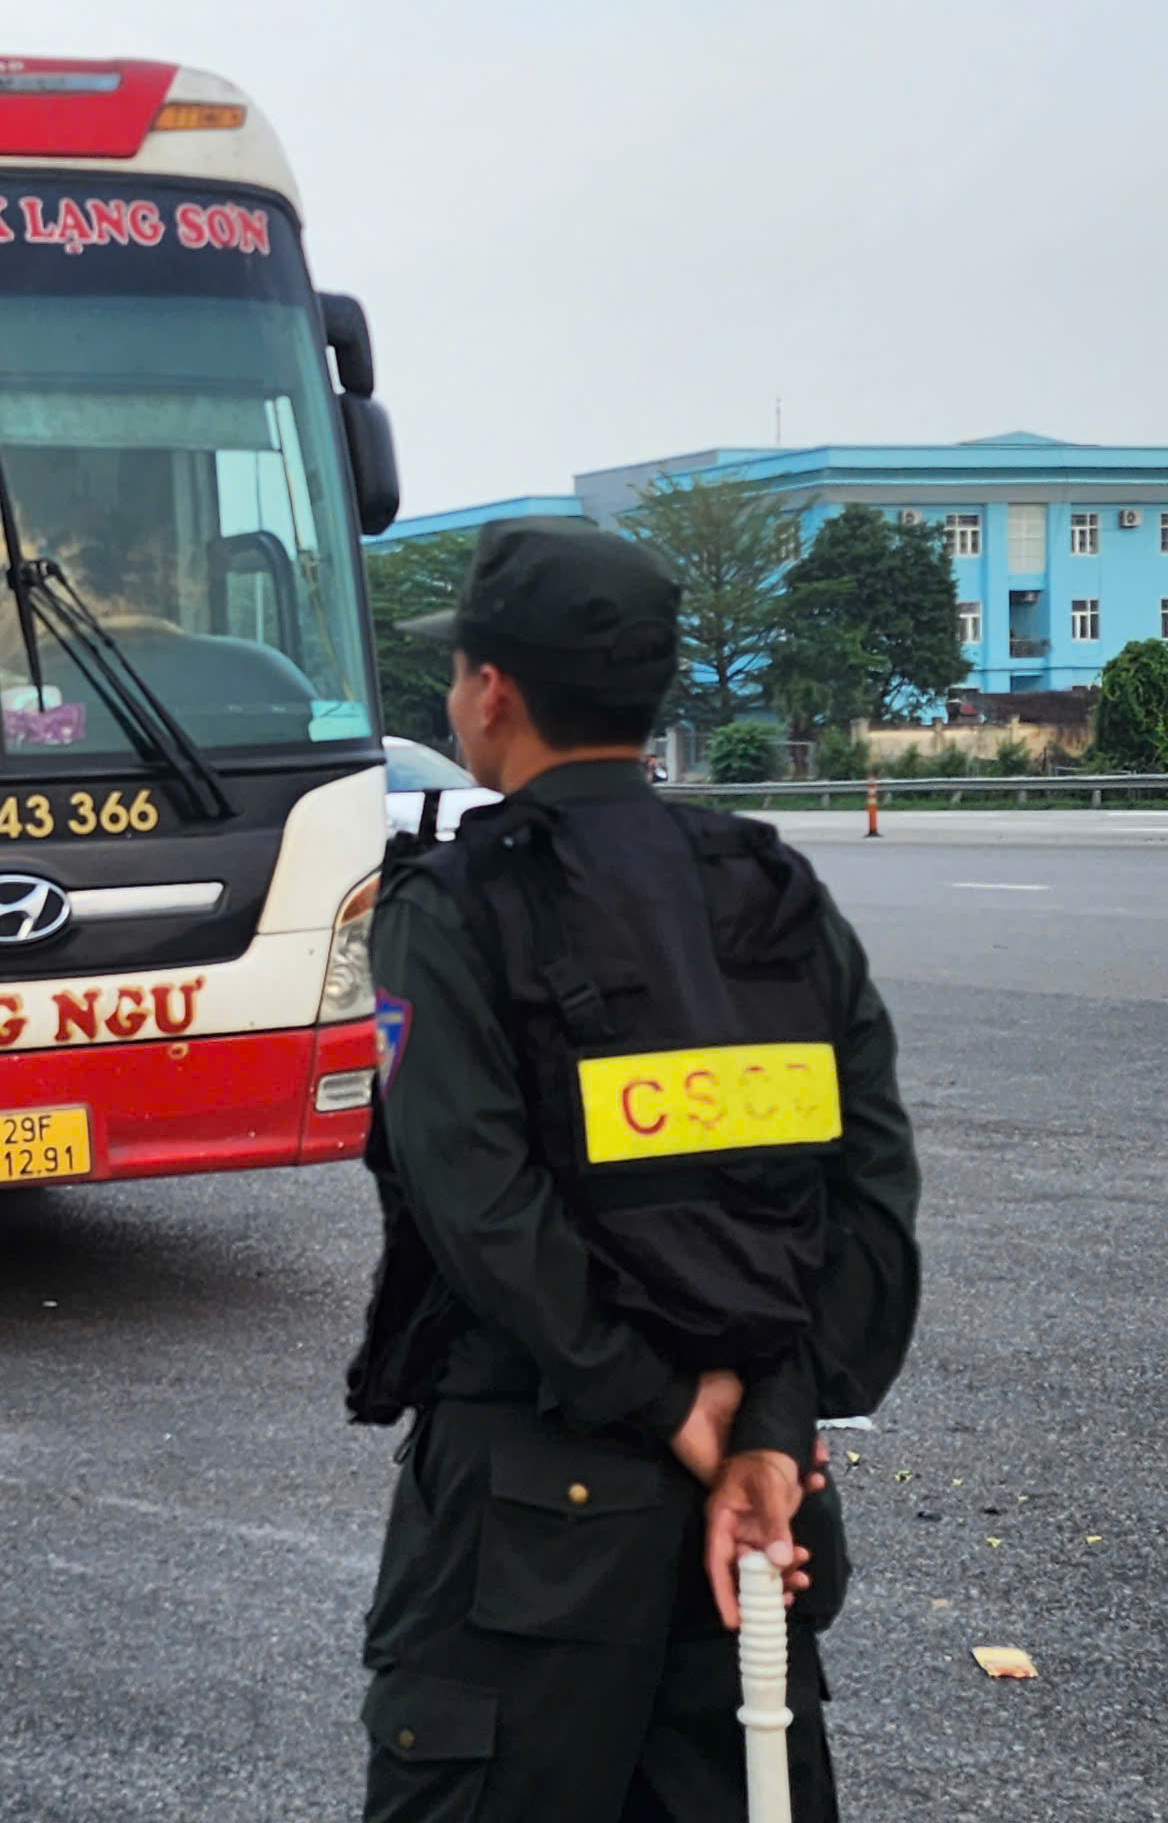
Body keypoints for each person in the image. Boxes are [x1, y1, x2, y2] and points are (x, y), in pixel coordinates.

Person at [346, 518, 921, 1821]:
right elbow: (870, 1208)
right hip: (753, 1538)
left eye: (458, 675)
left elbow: (481, 1212)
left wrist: (668, 1404)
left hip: (528, 1545)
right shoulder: (777, 899)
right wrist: (763, 1431)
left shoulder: (450, 910)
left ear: (491, 695)